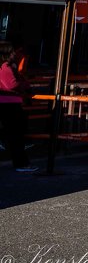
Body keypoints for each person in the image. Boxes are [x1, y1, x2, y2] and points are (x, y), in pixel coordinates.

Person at [0, 41, 35, 173]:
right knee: (16, 136)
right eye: (12, 51)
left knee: (15, 135)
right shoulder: (5, 67)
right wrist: (24, 84)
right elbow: (12, 85)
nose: (14, 53)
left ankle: (21, 162)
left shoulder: (6, 66)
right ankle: (21, 164)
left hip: (7, 103)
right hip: (10, 103)